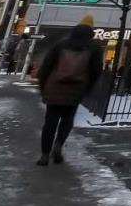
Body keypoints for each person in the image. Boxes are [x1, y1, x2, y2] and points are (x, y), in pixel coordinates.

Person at [34, 24, 103, 166]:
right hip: (76, 89)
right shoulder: (94, 48)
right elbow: (96, 71)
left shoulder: (61, 45)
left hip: (55, 87)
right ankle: (58, 145)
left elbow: (47, 66)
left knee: (50, 122)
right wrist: (88, 88)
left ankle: (44, 155)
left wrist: (42, 86)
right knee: (67, 119)